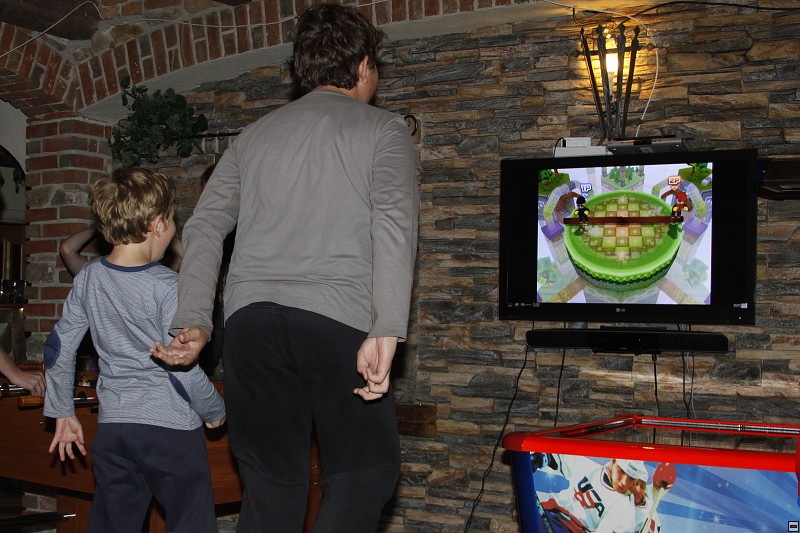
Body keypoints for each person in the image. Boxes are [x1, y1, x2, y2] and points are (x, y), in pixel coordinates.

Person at [151, 3, 419, 531]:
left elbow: (204, 226)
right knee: (365, 471)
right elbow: (393, 222)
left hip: (251, 326)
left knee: (272, 485)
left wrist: (196, 319)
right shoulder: (384, 129)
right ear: (364, 66)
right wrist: (387, 325)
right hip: (336, 318)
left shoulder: (253, 136)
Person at [44, 167, 226, 533]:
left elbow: (58, 348)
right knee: (191, 523)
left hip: (115, 429)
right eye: (172, 219)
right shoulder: (169, 286)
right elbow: (179, 364)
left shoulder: (89, 278)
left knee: (115, 525)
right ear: (157, 224)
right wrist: (214, 407)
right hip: (169, 430)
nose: (172, 229)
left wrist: (62, 410)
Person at [531, 453, 649, 533]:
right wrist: (538, 459)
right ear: (613, 461)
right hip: (546, 512)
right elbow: (554, 456)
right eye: (622, 471)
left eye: (631, 478)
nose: (624, 482)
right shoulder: (589, 467)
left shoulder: (623, 509)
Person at [60, 224, 184, 276]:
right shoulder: (96, 273)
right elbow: (66, 249)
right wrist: (102, 226)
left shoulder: (94, 274)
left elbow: (67, 249)